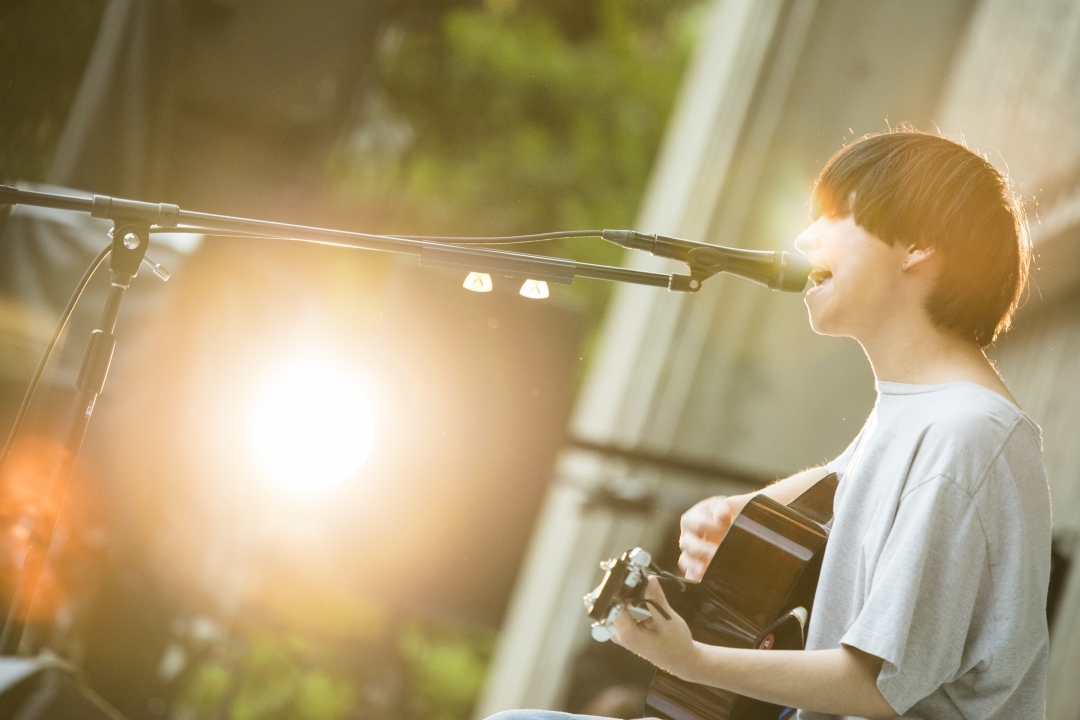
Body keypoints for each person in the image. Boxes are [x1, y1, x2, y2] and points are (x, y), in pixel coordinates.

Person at [486, 129, 1052, 720]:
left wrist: (691, 660)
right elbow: (846, 484)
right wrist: (741, 511)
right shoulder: (918, 414)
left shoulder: (968, 435)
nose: (803, 238)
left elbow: (874, 685)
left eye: (835, 216)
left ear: (916, 245)